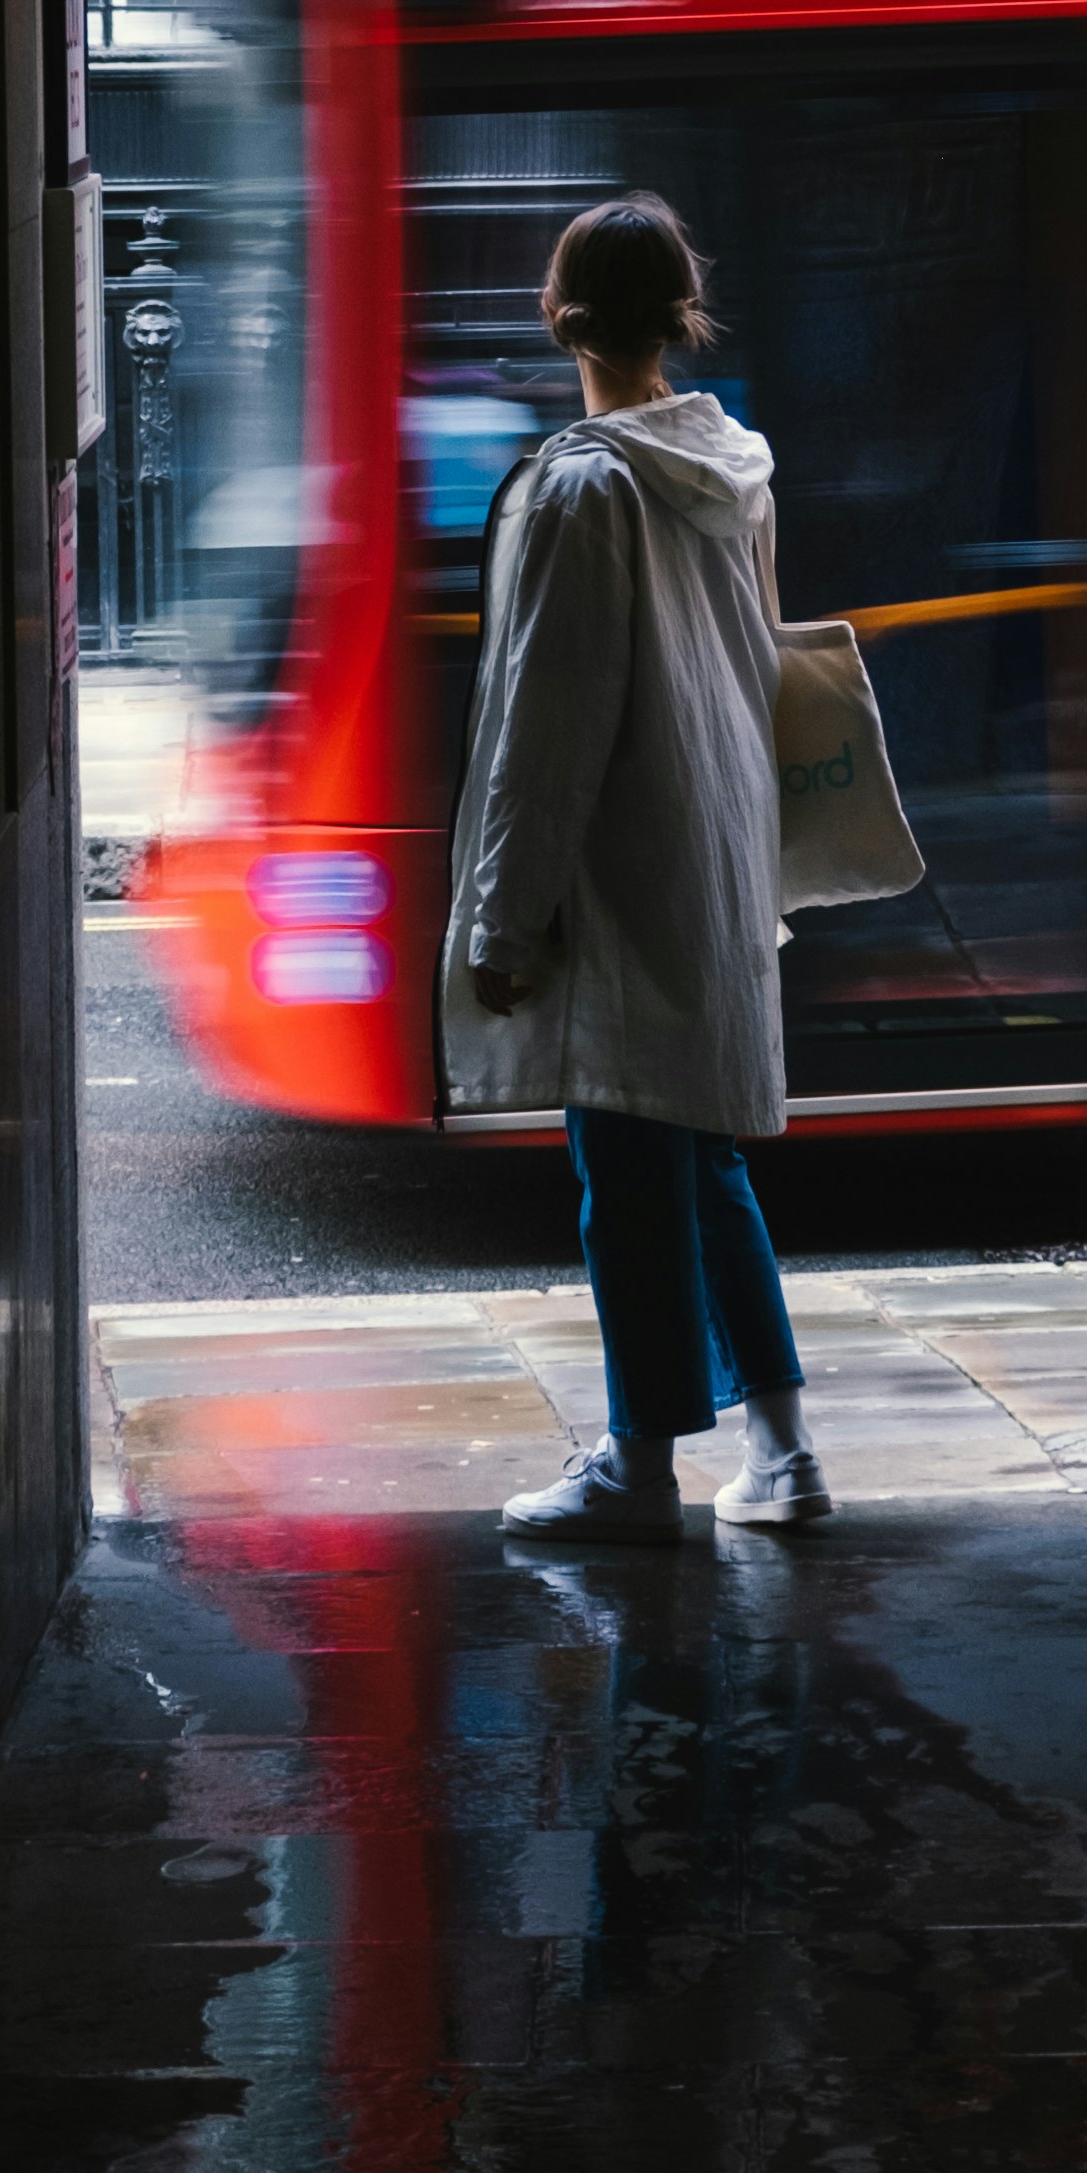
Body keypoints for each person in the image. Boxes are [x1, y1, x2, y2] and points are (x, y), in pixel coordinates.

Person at [447, 194, 827, 1540]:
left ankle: (640, 1468)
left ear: (559, 321)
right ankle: (781, 1452)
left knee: (626, 1184)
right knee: (702, 1162)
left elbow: (546, 737)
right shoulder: (733, 464)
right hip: (715, 854)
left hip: (618, 880)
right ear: (681, 315)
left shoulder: (581, 487)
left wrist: (505, 919)